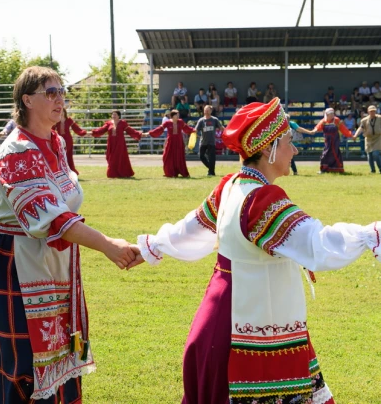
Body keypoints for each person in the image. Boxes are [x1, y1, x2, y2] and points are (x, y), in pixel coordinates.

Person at [135, 97, 381, 403]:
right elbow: (317, 243)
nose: (295, 150)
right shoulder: (260, 200)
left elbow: (190, 230)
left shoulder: (231, 186)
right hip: (247, 333)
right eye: (289, 141)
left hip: (225, 320)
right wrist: (373, 234)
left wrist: (151, 246)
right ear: (267, 148)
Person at [0, 66, 141, 403]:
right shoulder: (17, 151)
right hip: (12, 262)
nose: (60, 99)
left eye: (62, 92)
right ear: (27, 99)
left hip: (52, 263)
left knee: (59, 349)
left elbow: (61, 205)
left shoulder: (56, 142)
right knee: (21, 362)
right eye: (51, 92)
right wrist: (107, 245)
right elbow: (49, 217)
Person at [91, 110, 143, 178]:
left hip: (120, 143)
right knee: (110, 157)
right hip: (111, 143)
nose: (113, 116)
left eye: (115, 115)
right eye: (112, 114)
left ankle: (121, 173)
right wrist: (92, 132)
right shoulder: (108, 123)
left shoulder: (123, 123)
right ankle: (113, 173)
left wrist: (140, 134)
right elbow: (101, 130)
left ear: (119, 116)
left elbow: (130, 130)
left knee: (120, 158)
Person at [145, 109, 192, 178]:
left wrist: (194, 130)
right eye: (176, 115)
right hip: (170, 142)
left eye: (178, 114)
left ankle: (181, 171)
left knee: (179, 157)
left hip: (179, 141)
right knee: (167, 156)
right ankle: (170, 172)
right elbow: (159, 129)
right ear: (172, 116)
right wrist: (149, 133)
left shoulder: (181, 122)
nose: (178, 116)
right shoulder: (167, 123)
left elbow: (187, 128)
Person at [314, 108, 353, 173]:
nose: (332, 115)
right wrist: (313, 131)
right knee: (325, 154)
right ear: (327, 114)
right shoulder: (323, 121)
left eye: (332, 113)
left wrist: (350, 135)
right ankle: (324, 169)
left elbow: (343, 129)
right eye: (330, 114)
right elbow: (318, 127)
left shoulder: (337, 120)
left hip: (335, 141)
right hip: (327, 141)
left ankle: (337, 169)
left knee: (335, 154)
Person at [52, 108, 87, 174]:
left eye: (63, 111)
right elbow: (51, 129)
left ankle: (70, 170)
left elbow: (77, 129)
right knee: (60, 154)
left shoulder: (69, 120)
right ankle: (61, 170)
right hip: (59, 139)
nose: (61, 113)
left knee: (68, 155)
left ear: (65, 112)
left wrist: (84, 133)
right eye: (60, 111)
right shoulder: (56, 120)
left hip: (68, 139)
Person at [195, 105, 224, 176]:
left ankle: (211, 172)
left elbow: (221, 128)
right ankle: (210, 168)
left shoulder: (214, 119)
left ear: (211, 111)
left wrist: (226, 130)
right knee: (201, 156)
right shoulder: (201, 120)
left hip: (211, 142)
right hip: (203, 142)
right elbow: (196, 129)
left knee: (212, 158)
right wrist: (195, 134)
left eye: (208, 110)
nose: (206, 112)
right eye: (205, 110)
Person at [353, 105, 381, 173]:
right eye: (371, 111)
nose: (372, 112)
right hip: (368, 139)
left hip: (378, 138)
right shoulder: (364, 120)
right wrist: (355, 135)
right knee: (369, 155)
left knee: (376, 154)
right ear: (368, 112)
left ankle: (380, 168)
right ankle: (372, 170)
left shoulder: (380, 118)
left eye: (374, 111)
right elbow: (361, 128)